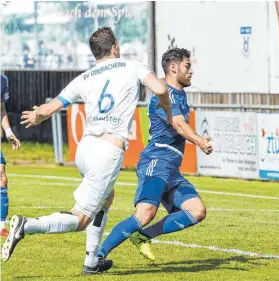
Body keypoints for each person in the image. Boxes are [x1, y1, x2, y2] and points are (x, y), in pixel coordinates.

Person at [1, 27, 171, 275]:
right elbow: (161, 89)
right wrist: (167, 109)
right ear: (114, 47)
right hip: (107, 152)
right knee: (80, 219)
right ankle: (26, 226)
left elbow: (49, 109)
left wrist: (37, 116)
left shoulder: (85, 77)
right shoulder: (133, 65)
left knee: (107, 198)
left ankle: (92, 261)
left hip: (85, 149)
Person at [97, 48, 213, 261]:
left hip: (171, 168)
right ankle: (97, 255)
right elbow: (178, 124)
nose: (191, 72)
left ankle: (143, 236)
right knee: (145, 213)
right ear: (173, 67)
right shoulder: (164, 95)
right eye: (187, 66)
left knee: (197, 211)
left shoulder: (178, 93)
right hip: (156, 161)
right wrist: (199, 141)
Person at [0, 73, 21, 237]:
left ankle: (1, 227)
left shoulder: (3, 80)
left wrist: (8, 132)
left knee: (2, 179)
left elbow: (1, 110)